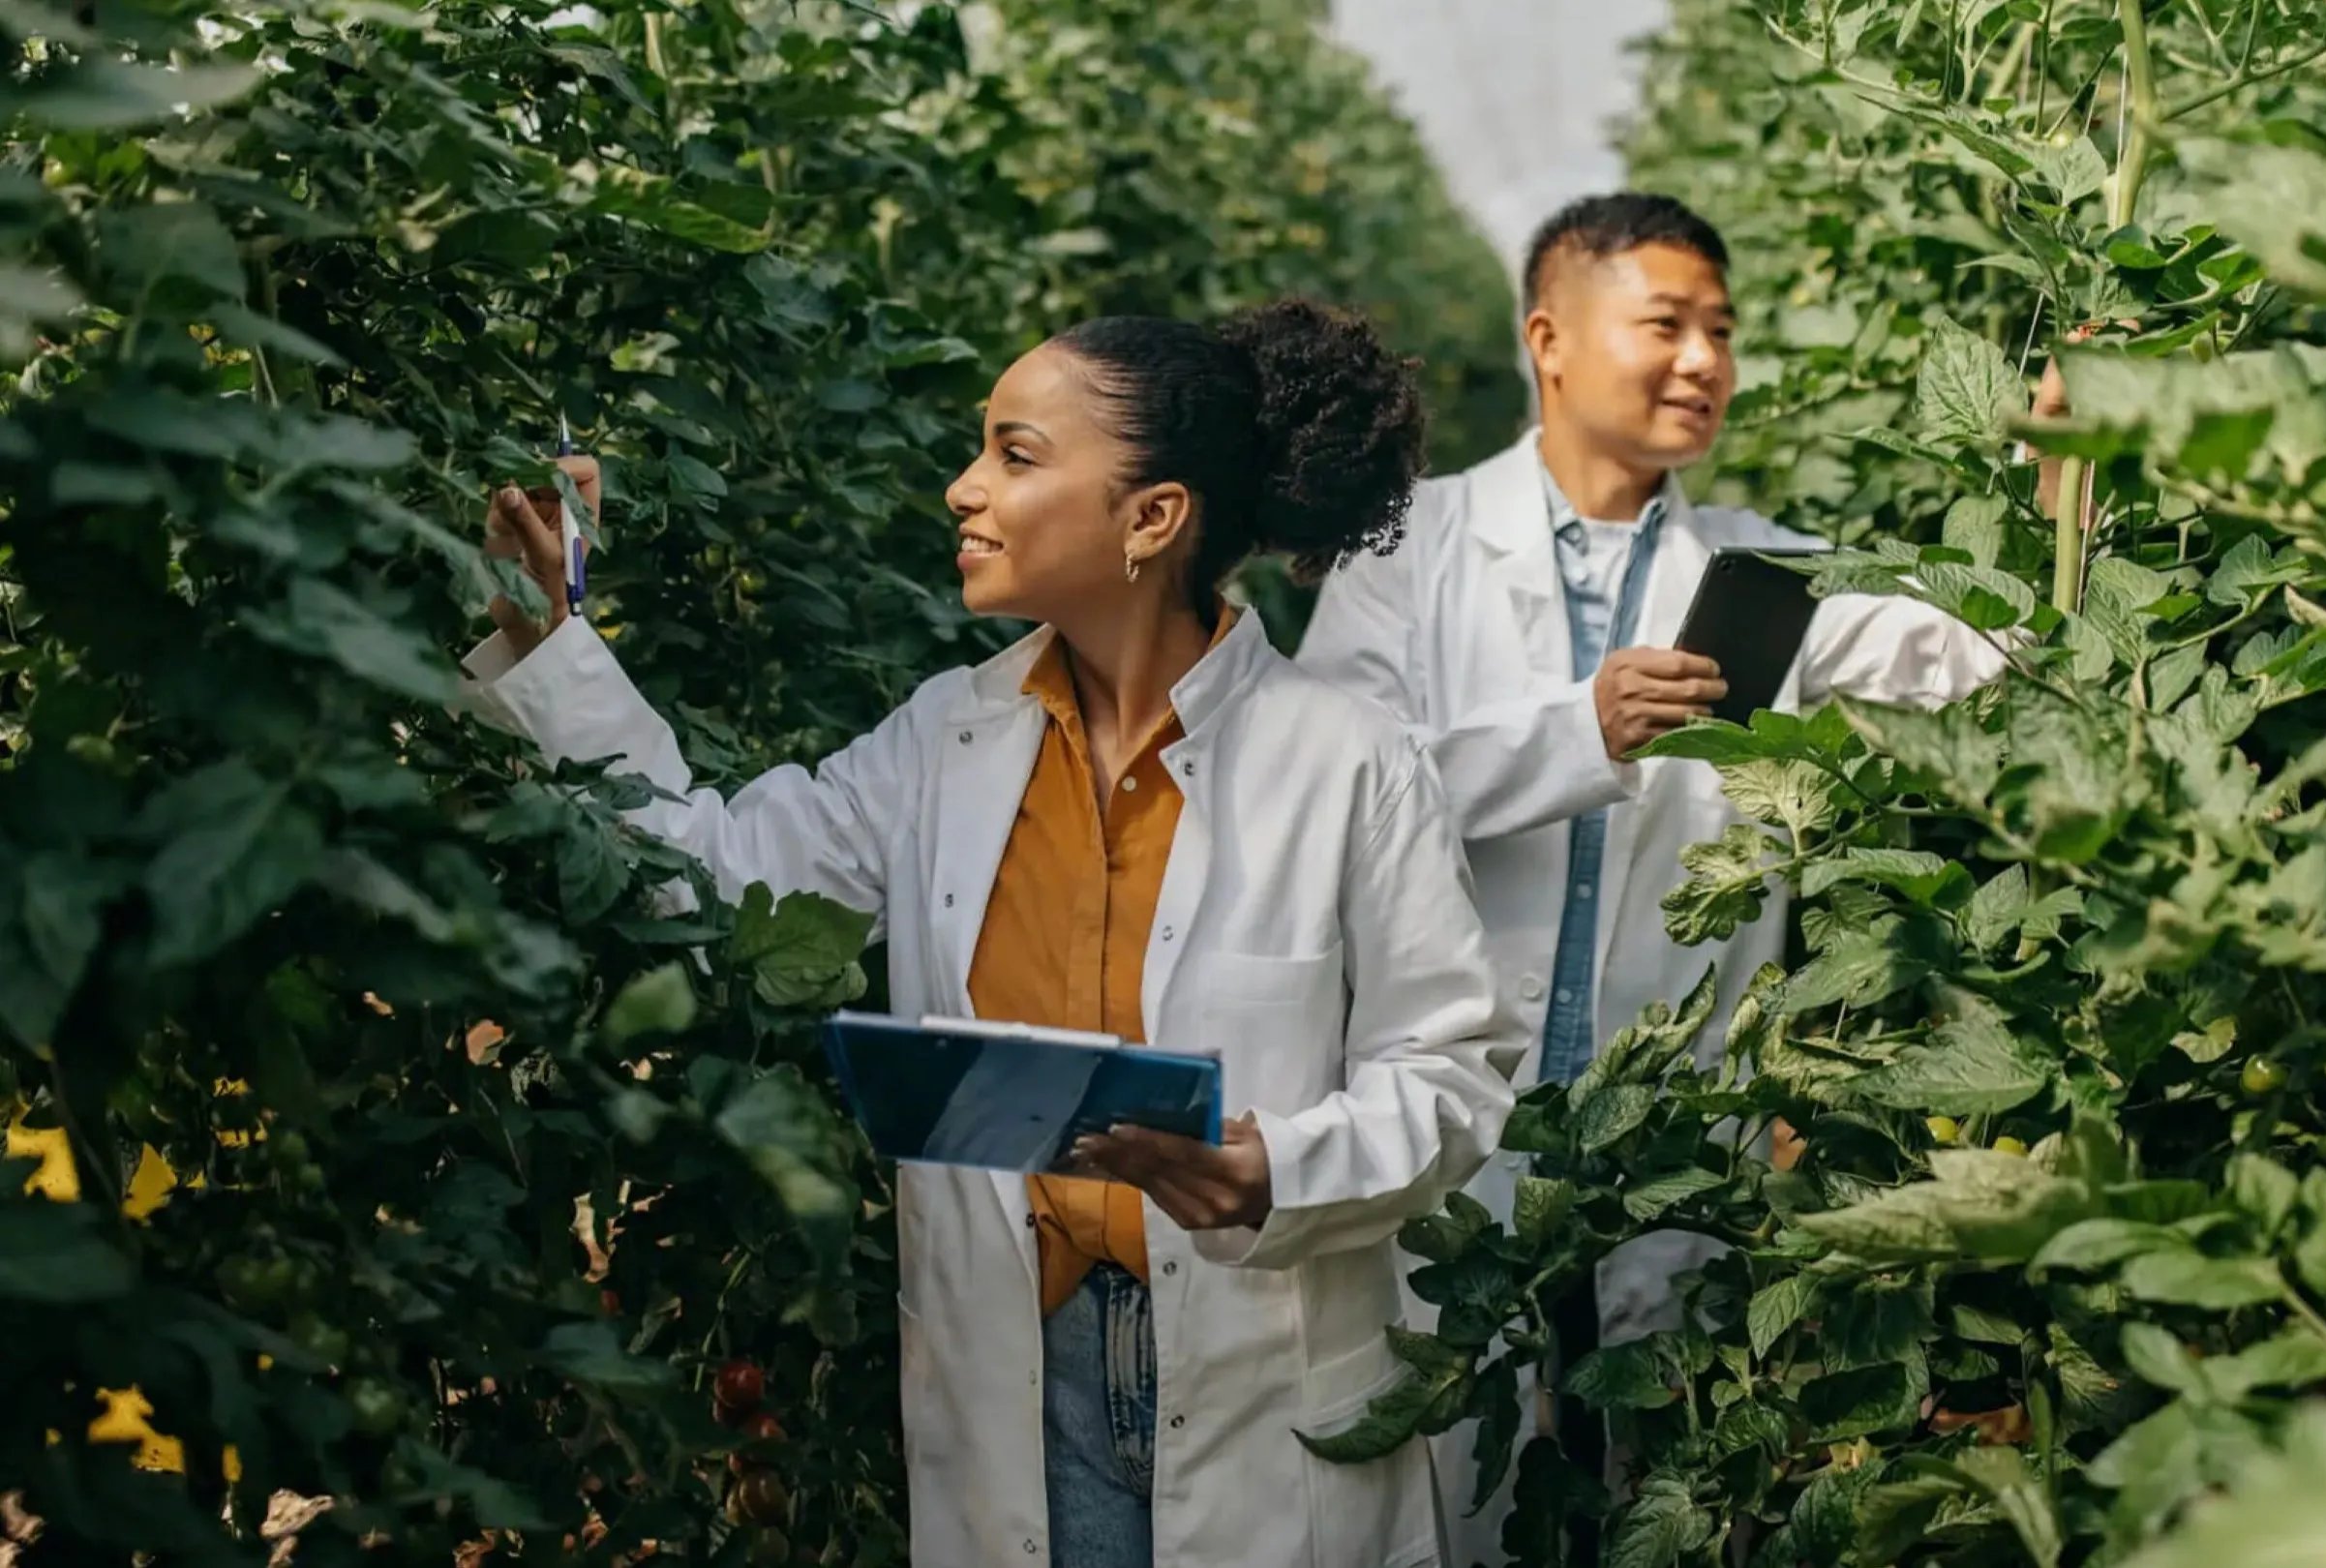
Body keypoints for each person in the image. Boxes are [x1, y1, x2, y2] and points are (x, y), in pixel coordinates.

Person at [460, 299, 1521, 1568]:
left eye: (1015, 455)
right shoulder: (942, 740)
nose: (965, 488)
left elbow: (1452, 1074)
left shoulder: (1349, 762)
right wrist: (550, 637)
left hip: (1262, 1370)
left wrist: (1279, 1168)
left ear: (1151, 518)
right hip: (1024, 1368)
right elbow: (711, 881)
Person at [1294, 194, 2009, 1561]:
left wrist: (2058, 476)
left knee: (1664, 1500)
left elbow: (1974, 658)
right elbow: (1321, 804)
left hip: (1675, 1152)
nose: (1702, 362)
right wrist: (1581, 731)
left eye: (1722, 333)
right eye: (1667, 324)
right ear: (1549, 340)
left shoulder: (1768, 576)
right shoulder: (1408, 550)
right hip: (1458, 1132)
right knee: (1447, 1495)